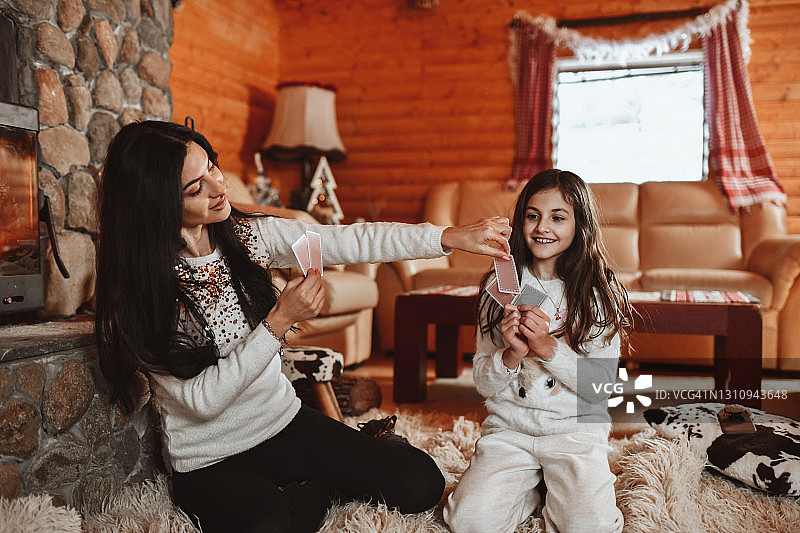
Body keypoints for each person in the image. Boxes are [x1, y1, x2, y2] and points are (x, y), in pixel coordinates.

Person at [94, 120, 511, 533]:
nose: (219, 187)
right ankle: (318, 491)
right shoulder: (142, 292)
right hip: (209, 460)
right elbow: (202, 402)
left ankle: (359, 452)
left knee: (422, 484)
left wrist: (448, 237)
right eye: (195, 188)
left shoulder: (247, 237)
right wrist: (278, 321)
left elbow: (351, 240)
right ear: (154, 202)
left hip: (283, 424)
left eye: (212, 168)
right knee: (268, 525)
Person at [443, 169, 632, 533]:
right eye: (533, 215)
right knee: (468, 522)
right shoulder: (499, 285)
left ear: (580, 226)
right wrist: (510, 356)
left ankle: (564, 486)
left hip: (575, 432)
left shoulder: (596, 291)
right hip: (511, 430)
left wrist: (547, 348)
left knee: (589, 528)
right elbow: (484, 383)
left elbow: (602, 388)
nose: (542, 227)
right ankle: (532, 489)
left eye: (558, 217)